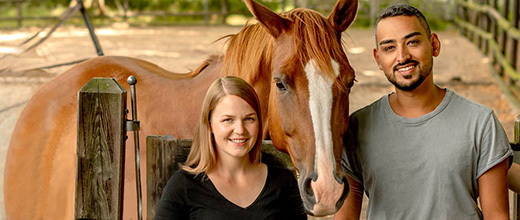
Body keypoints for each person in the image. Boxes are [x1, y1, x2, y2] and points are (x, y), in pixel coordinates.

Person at [335, 4, 513, 220]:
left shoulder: (480, 123)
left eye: (412, 42)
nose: (402, 56)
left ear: (434, 45)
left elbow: (497, 216)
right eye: (389, 48)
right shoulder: (358, 126)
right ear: (378, 59)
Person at [154, 76, 307, 220]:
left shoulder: (282, 181)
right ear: (210, 125)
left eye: (249, 119)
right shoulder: (184, 185)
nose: (240, 129)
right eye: (228, 120)